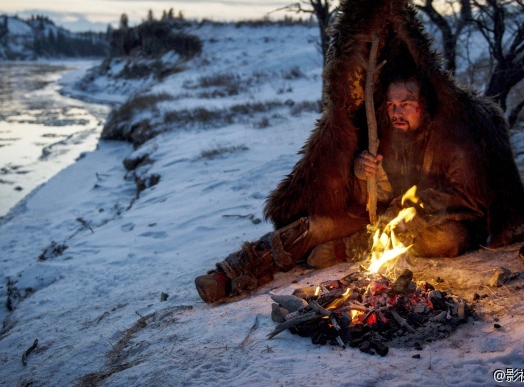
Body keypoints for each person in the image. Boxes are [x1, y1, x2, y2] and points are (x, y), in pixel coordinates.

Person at [195, 72, 489, 304]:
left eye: (407, 104)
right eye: (390, 105)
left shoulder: (451, 139)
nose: (396, 112)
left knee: (448, 240)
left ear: (425, 105)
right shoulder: (383, 135)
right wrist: (363, 175)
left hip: (435, 221)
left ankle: (348, 248)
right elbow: (366, 202)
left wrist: (412, 209)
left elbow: (469, 197)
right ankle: (237, 269)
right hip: (379, 218)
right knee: (315, 225)